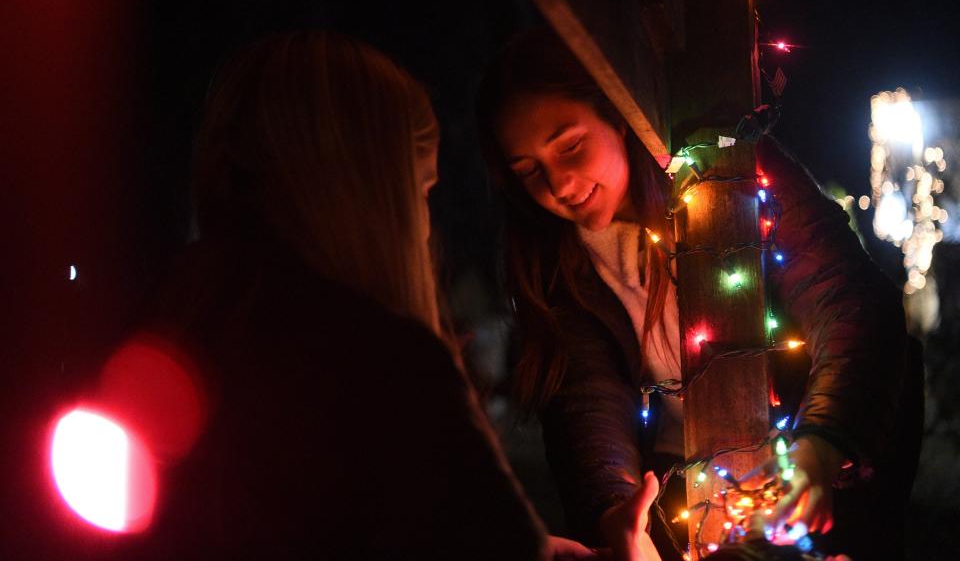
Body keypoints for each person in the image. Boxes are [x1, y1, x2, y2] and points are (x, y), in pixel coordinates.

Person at [63, 31, 600, 560]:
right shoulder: (386, 369)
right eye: (420, 191)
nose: (425, 229)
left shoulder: (167, 321)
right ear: (370, 192)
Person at [476, 28, 923, 561]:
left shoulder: (732, 171)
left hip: (814, 478)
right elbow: (585, 401)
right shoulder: (559, 265)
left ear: (617, 112)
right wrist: (614, 510)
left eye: (570, 145)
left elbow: (850, 303)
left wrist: (823, 445)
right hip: (685, 506)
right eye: (528, 171)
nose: (560, 185)